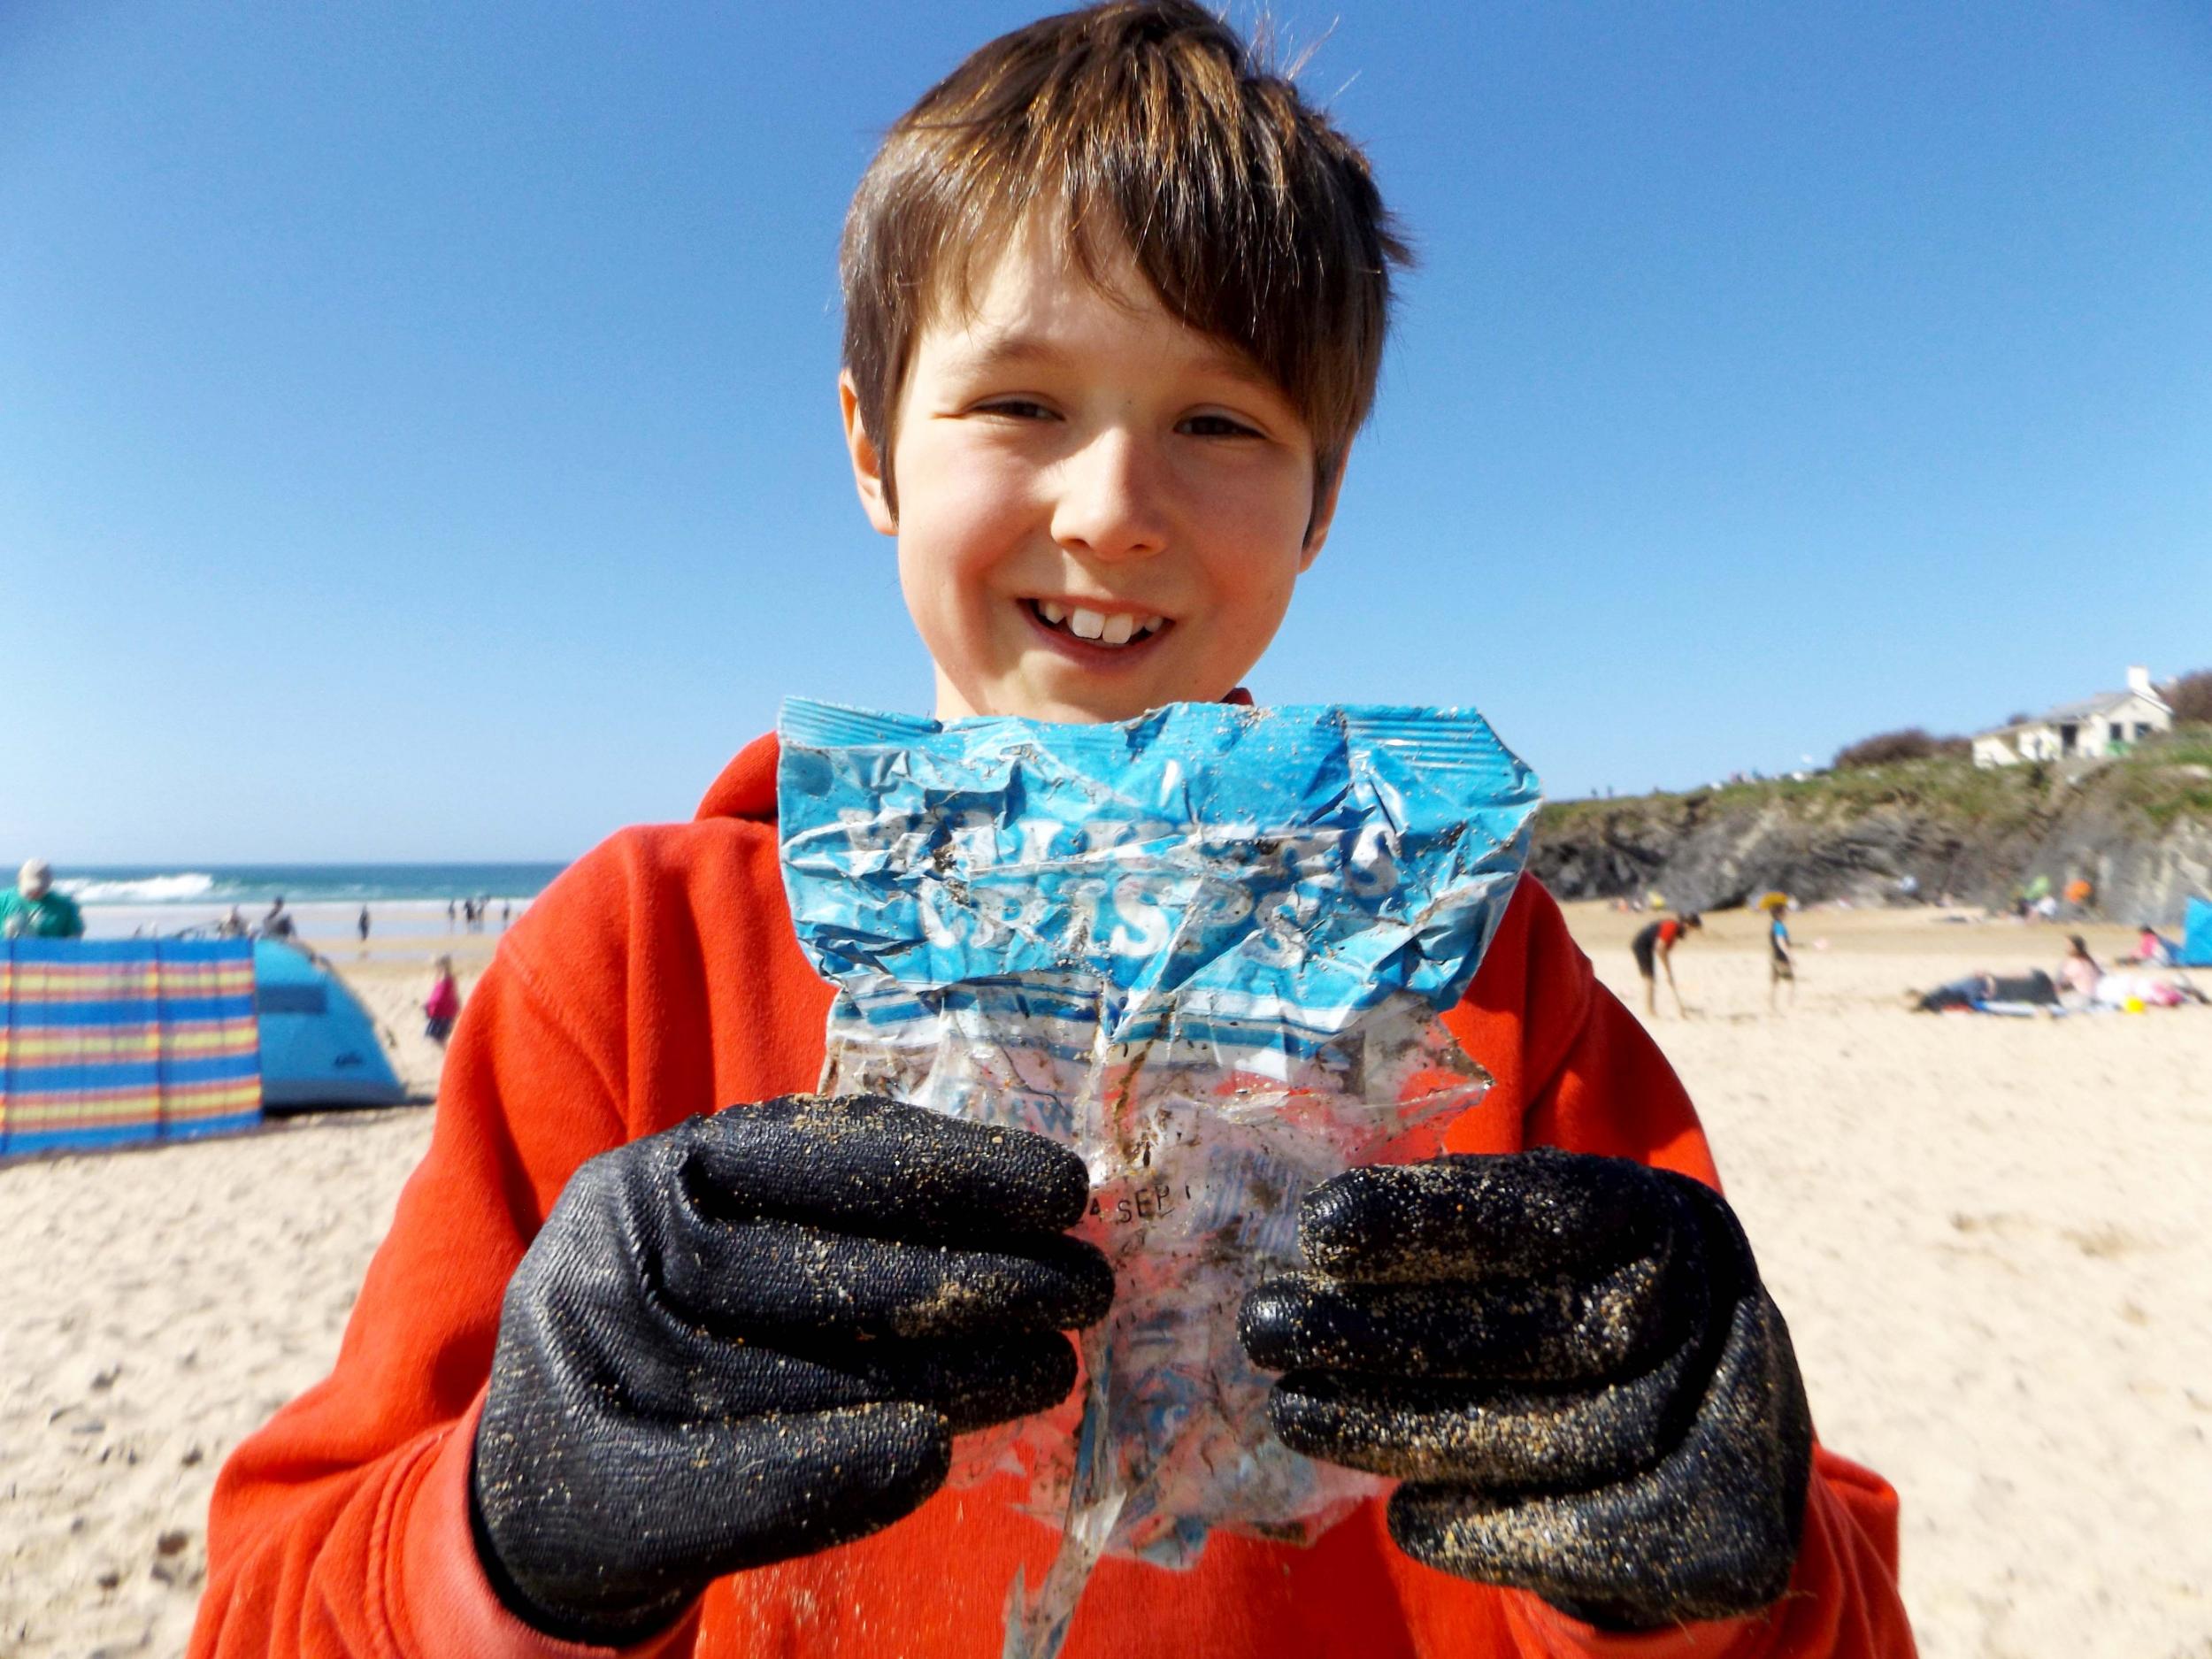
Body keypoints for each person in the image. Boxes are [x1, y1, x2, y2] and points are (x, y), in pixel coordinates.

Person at [190, 11, 1911, 1658]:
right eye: (1019, 402)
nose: (1112, 509)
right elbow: (271, 1604)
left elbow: (1812, 1594)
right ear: (871, 445)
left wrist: (1696, 1548)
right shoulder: (635, 958)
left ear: (1319, 506)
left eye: (1218, 423)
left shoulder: (1472, 959)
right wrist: (509, 1522)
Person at [1632, 910, 1702, 1018]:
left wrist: (1668, 973)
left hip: (1648, 946)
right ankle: (1649, 1011)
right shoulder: (1671, 926)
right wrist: (1668, 972)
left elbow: (1665, 952)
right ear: (1687, 924)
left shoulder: (1677, 933)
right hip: (1641, 945)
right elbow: (1660, 948)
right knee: (1649, 979)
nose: (1692, 931)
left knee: (1650, 979)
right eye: (1693, 927)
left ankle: (1651, 1010)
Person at [0, 858, 86, 939]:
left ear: (49, 883)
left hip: (48, 954)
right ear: (20, 879)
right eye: (31, 888)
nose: (36, 892)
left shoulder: (66, 906)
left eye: (40, 888)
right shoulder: (4, 900)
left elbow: (75, 935)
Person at [423, 956, 461, 1045]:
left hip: (444, 1012)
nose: (436, 968)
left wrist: (458, 1007)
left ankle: (446, 1054)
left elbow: (451, 994)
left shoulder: (448, 978)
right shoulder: (439, 977)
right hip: (437, 1011)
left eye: (438, 966)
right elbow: (436, 993)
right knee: (435, 1036)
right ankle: (445, 1053)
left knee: (439, 1036)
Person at [1769, 902, 1796, 1012]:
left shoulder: (1773, 925)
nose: (1787, 913)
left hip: (1774, 956)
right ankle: (1790, 1004)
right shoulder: (1780, 926)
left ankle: (1772, 1004)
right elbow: (1781, 941)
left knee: (1775, 982)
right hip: (1781, 957)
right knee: (1791, 981)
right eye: (1785, 911)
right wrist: (1789, 956)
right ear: (1780, 914)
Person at [2058, 934, 2101, 1002]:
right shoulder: (2091, 960)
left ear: (2076, 948)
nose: (2066, 949)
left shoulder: (2074, 962)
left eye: (2069, 946)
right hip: (2094, 997)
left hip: (2081, 998)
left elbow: (2063, 984)